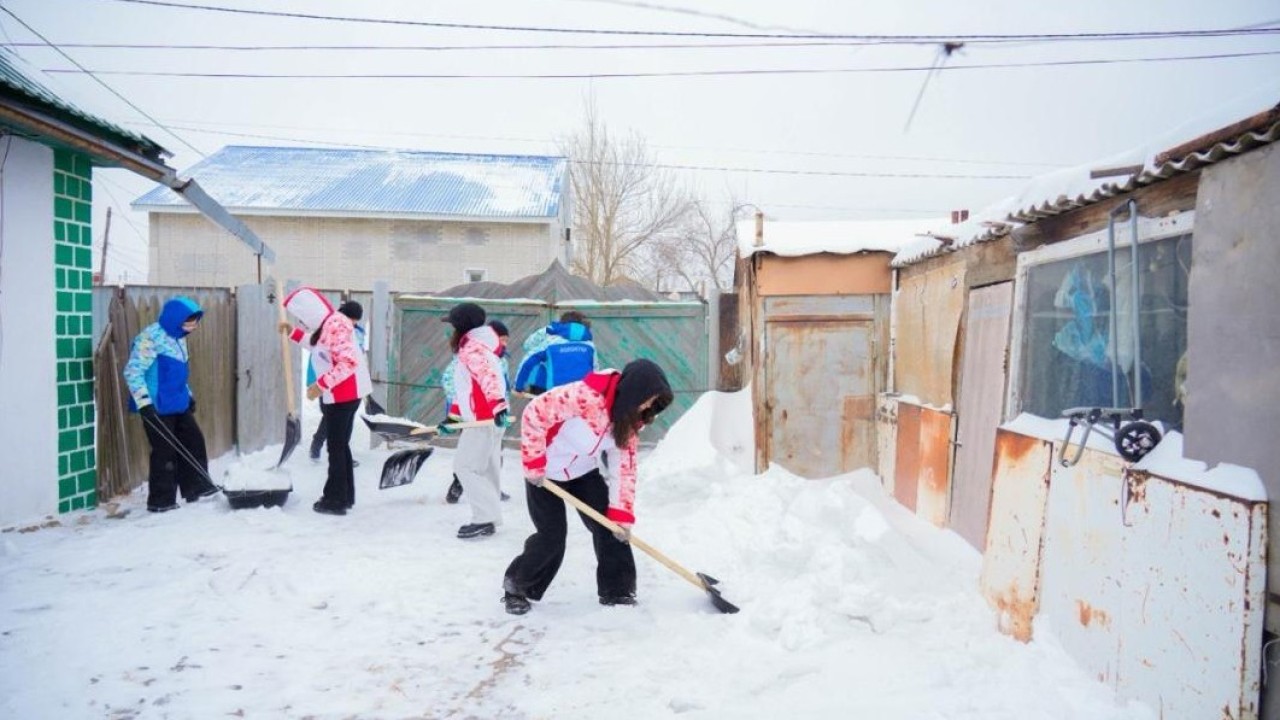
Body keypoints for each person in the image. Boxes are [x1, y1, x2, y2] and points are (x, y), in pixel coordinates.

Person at [501, 358, 674, 615]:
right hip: (546, 472)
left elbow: (624, 468)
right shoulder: (584, 396)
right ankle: (517, 587)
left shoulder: (627, 420)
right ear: (634, 391)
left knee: (610, 528)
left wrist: (621, 513)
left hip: (583, 471)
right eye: (648, 399)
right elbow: (534, 413)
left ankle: (618, 591)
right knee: (552, 537)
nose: (649, 406)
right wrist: (534, 462)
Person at [123, 296, 220, 512]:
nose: (192, 328)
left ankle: (198, 486)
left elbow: (178, 372)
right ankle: (161, 501)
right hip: (156, 404)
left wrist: (188, 394)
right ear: (175, 319)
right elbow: (133, 371)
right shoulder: (150, 338)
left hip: (178, 401)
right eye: (188, 323)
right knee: (164, 451)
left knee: (194, 440)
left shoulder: (179, 337)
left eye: (195, 323)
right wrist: (144, 404)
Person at [281, 287, 372, 516]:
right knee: (340, 446)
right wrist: (293, 333)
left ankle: (335, 500)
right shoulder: (329, 324)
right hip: (345, 394)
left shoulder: (335, 325)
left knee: (336, 447)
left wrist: (321, 385)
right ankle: (345, 495)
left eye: (302, 319)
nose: (302, 322)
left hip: (344, 395)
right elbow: (319, 347)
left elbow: (347, 363)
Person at [438, 303, 510, 539]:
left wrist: (497, 405)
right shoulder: (478, 346)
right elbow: (466, 388)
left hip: (484, 418)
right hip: (486, 416)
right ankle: (489, 517)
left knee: (465, 467)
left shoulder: (472, 349)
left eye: (452, 326)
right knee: (486, 469)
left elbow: (488, 378)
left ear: (461, 327)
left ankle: (484, 518)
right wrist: (454, 416)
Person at [309, 300, 367, 466]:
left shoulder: (355, 331)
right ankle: (318, 445)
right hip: (332, 382)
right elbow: (335, 358)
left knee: (341, 423)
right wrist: (320, 384)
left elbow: (358, 356)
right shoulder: (337, 329)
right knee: (330, 417)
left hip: (350, 384)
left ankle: (342, 456)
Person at [513, 311, 597, 396]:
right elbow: (595, 369)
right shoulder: (589, 345)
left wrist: (518, 387)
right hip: (582, 392)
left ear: (562, 325)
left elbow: (528, 359)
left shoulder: (552, 341)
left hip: (555, 393)